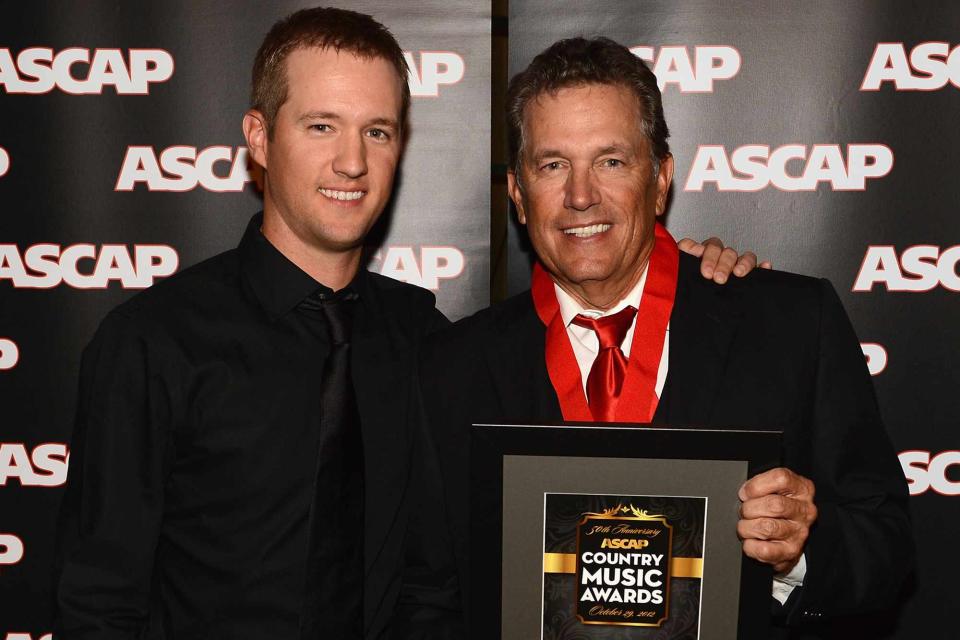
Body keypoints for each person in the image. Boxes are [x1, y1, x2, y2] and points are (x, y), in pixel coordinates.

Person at [52, 8, 758, 639]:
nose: (352, 161)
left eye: (378, 131)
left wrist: (686, 270)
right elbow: (96, 605)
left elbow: (443, 578)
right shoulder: (151, 343)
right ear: (259, 139)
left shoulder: (428, 340)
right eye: (321, 125)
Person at [418, 36, 911, 636]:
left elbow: (888, 548)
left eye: (611, 161)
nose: (580, 196)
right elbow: (429, 596)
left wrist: (797, 551)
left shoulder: (791, 324)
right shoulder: (454, 365)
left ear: (660, 179)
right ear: (519, 195)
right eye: (553, 165)